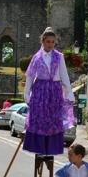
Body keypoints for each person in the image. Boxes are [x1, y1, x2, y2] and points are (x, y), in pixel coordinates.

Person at [23, 27, 75, 155]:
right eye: (48, 42)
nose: (50, 44)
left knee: (53, 119)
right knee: (39, 118)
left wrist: (69, 92)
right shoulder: (36, 57)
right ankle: (39, 148)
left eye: (53, 42)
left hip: (55, 91)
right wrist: (26, 94)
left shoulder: (59, 57)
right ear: (43, 41)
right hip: (40, 90)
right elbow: (30, 76)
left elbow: (64, 75)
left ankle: (51, 148)